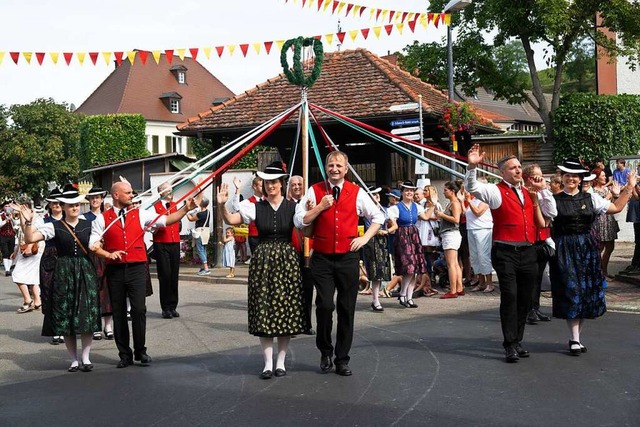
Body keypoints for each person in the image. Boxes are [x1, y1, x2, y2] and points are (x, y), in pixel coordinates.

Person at [294, 151, 384, 376]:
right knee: (324, 305)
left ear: (346, 168)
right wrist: (319, 207)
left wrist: (363, 239)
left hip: (347, 258)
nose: (334, 169)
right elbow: (299, 220)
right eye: (331, 165)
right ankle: (325, 351)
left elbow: (378, 217)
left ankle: (342, 358)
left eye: (339, 165)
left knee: (346, 308)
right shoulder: (314, 191)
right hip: (322, 258)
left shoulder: (357, 192)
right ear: (326, 167)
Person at [89, 181, 195, 368]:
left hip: (137, 267)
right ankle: (124, 354)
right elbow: (93, 245)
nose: (132, 195)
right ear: (116, 195)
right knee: (119, 312)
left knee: (138, 309)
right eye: (128, 193)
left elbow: (166, 220)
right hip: (115, 270)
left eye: (131, 192)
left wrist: (185, 209)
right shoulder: (102, 219)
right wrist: (108, 254)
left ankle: (141, 351)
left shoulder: (140, 213)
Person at [465, 144, 555, 363]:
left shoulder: (529, 192)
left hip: (528, 251)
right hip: (505, 252)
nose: (517, 170)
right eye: (512, 168)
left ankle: (517, 341)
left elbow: (552, 213)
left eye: (519, 167)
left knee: (525, 299)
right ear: (502, 172)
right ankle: (509, 344)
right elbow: (473, 187)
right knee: (510, 297)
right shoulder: (496, 191)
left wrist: (543, 189)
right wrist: (472, 167)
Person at [218, 161, 308, 379]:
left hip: (287, 261)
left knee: (286, 310)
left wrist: (317, 207)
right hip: (263, 261)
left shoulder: (294, 207)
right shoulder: (255, 207)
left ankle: (281, 362)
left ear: (281, 184)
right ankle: (267, 364)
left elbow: (306, 224)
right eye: (267, 183)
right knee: (264, 309)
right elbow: (230, 219)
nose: (271, 186)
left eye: (275, 182)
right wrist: (221, 205)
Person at [550, 158, 635, 355]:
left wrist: (629, 188)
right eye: (567, 175)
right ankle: (574, 339)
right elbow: (543, 222)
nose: (571, 178)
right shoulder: (552, 200)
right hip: (565, 249)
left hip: (587, 249)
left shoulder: (591, 198)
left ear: (580, 179)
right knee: (572, 291)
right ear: (562, 177)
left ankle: (576, 338)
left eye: (575, 176)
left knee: (586, 292)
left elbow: (616, 208)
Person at [19, 188, 101, 372]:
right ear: (62, 207)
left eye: (77, 204)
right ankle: (73, 359)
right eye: (71, 205)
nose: (75, 208)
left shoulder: (89, 224)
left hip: (85, 270)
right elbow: (31, 238)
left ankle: (86, 358)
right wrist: (28, 221)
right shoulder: (53, 226)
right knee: (67, 315)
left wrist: (100, 246)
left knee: (86, 313)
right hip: (63, 271)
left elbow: (96, 244)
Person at [386, 180, 429, 308]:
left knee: (414, 269)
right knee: (409, 268)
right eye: (407, 190)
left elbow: (426, 217)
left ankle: (408, 297)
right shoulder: (395, 208)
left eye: (411, 190)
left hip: (414, 236)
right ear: (402, 193)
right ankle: (403, 294)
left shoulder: (417, 207)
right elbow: (392, 223)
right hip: (402, 237)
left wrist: (432, 205)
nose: (409, 192)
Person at [523, 164, 553, 324]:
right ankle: (528, 309)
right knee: (530, 277)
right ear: (528, 177)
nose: (540, 179)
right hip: (528, 240)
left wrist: (544, 190)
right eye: (537, 176)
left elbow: (552, 212)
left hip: (542, 238)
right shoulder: (523, 192)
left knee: (538, 277)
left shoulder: (542, 193)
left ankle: (535, 307)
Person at [83, 186, 114, 341]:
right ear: (88, 200)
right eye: (92, 197)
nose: (95, 200)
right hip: (90, 257)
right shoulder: (83, 218)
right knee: (92, 291)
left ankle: (108, 325)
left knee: (107, 290)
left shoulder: (108, 216)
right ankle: (95, 325)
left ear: (102, 199)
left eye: (97, 197)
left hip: (106, 256)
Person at [288, 175, 315, 335]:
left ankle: (306, 323)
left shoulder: (311, 204)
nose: (297, 187)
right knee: (291, 290)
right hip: (291, 252)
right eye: (294, 184)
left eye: (300, 184)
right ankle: (291, 323)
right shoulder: (286, 205)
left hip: (309, 253)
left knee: (307, 288)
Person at [153, 182, 182, 319]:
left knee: (174, 275)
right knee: (165, 275)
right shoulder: (154, 206)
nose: (170, 191)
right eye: (167, 189)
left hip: (175, 242)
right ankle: (165, 307)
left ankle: (173, 306)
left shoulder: (176, 205)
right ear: (160, 192)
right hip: (161, 243)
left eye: (171, 189)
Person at [362, 186, 394, 311]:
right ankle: (375, 299)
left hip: (382, 241)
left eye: (377, 195)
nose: (376, 197)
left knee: (381, 271)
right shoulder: (366, 210)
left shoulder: (384, 210)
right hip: (371, 240)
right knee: (374, 270)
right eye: (373, 195)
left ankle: (376, 298)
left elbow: (394, 225)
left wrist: (386, 231)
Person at [11, 202, 44, 314]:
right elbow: (22, 230)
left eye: (24, 209)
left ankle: (28, 300)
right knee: (32, 278)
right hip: (25, 251)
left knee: (17, 274)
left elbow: (29, 233)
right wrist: (15, 252)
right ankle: (38, 301)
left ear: (31, 210)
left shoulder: (38, 220)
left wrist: (29, 247)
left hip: (33, 251)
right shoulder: (28, 219)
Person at [436, 181, 464, 299]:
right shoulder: (452, 203)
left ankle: (453, 290)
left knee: (451, 264)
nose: (444, 192)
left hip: (451, 234)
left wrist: (442, 215)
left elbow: (456, 219)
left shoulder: (454, 203)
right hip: (450, 234)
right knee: (455, 263)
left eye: (446, 190)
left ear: (452, 191)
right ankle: (459, 287)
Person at [591, 168, 620, 279]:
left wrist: (616, 195)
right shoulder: (593, 191)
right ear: (596, 178)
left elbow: (614, 204)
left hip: (609, 221)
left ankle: (604, 270)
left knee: (610, 247)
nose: (605, 178)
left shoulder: (607, 189)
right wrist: (608, 196)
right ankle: (598, 272)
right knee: (600, 247)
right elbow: (599, 205)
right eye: (602, 176)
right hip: (600, 222)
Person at [464, 187, 494, 293]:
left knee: (483, 256)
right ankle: (481, 282)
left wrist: (468, 200)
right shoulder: (474, 200)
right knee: (475, 257)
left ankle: (489, 283)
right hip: (471, 229)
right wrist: (462, 200)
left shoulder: (485, 199)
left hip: (483, 229)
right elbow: (466, 213)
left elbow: (478, 212)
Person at [233, 175, 263, 261]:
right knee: (257, 259)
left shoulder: (268, 200)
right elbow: (236, 207)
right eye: (261, 186)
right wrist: (238, 190)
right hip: (254, 235)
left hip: (266, 234)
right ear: (255, 186)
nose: (263, 188)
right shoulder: (248, 201)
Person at [187, 197, 212, 275]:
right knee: (203, 249)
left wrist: (186, 213)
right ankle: (204, 267)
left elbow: (191, 219)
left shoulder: (200, 214)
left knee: (200, 250)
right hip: (206, 232)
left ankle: (206, 268)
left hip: (200, 232)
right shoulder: (208, 212)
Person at [0, 201, 17, 276]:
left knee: (11, 252)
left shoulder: (12, 215)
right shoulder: (0, 215)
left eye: (8, 206)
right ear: (3, 207)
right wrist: (6, 220)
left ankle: (9, 268)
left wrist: (12, 218)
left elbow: (16, 224)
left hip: (11, 235)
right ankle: (7, 270)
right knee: (5, 252)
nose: (7, 208)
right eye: (6, 206)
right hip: (3, 235)